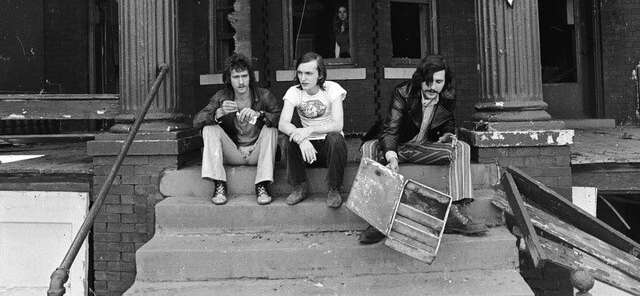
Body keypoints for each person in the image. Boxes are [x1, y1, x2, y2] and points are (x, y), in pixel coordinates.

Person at [358, 54, 487, 244]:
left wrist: (447, 134)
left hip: (422, 147)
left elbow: (448, 120)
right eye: (428, 81)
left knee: (461, 147)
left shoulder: (447, 95)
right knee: (368, 148)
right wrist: (392, 157)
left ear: (445, 82)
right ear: (420, 80)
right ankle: (377, 220)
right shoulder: (402, 92)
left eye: (438, 81)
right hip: (396, 147)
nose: (432, 87)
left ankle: (454, 214)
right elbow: (390, 130)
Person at [193, 53, 281, 205]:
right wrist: (218, 113)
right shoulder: (221, 97)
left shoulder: (264, 95)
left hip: (257, 152)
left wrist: (259, 115)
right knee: (209, 129)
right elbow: (197, 121)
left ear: (250, 77)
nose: (241, 82)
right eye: (236, 77)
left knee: (271, 129)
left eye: (244, 76)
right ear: (228, 78)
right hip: (233, 152)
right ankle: (219, 183)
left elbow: (281, 119)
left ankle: (262, 185)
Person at [279, 52, 348, 208]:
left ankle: (334, 189)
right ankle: (299, 187)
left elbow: (338, 125)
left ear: (320, 74)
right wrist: (301, 138)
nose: (303, 78)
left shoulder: (332, 89)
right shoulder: (294, 92)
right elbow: (283, 123)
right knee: (287, 138)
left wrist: (308, 131)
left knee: (335, 137)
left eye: (309, 73)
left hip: (330, 150)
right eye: (300, 73)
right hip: (307, 151)